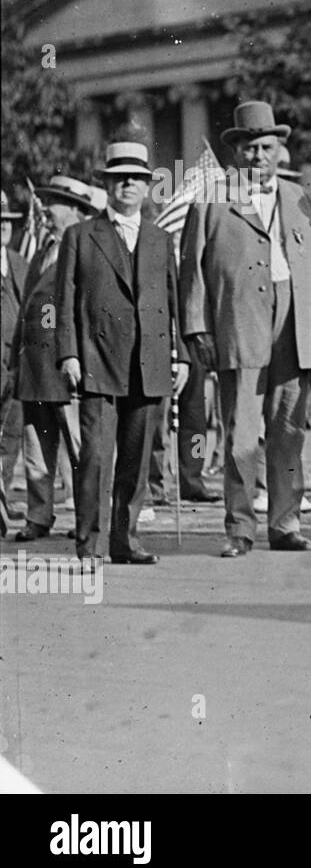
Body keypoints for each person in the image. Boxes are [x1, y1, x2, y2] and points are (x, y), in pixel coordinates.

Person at [180, 101, 311, 556]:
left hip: (294, 322)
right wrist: (196, 329)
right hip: (239, 321)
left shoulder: (300, 198)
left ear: (279, 151)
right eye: (249, 148)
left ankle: (286, 524)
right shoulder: (212, 199)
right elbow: (192, 272)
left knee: (289, 429)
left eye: (267, 147)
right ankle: (240, 529)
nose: (258, 157)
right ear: (236, 152)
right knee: (242, 432)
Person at [56, 142, 189, 563]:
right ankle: (90, 545)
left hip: (148, 363)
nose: (128, 184)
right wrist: (68, 354)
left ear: (148, 186)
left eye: (136, 177)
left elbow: (174, 302)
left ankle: (125, 541)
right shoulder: (80, 237)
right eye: (119, 177)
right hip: (96, 360)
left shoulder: (160, 239)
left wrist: (182, 355)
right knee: (96, 456)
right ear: (107, 184)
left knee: (136, 458)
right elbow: (63, 301)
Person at [11, 178, 103, 542]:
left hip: (68, 367)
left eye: (55, 202)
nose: (46, 209)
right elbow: (27, 308)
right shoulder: (43, 248)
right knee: (37, 449)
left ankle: (88, 518)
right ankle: (38, 516)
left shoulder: (86, 248)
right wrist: (18, 356)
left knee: (80, 448)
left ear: (77, 211)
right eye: (47, 201)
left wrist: (77, 357)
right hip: (34, 367)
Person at [0, 193, 28, 536]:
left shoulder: (20, 264)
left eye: (7, 221)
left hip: (15, 369)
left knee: (10, 439)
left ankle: (2, 501)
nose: (3, 227)